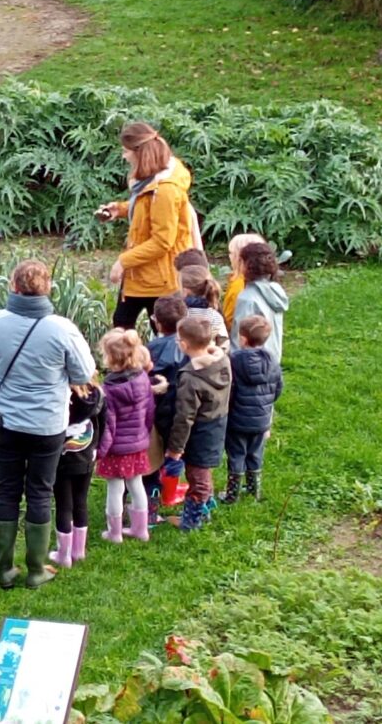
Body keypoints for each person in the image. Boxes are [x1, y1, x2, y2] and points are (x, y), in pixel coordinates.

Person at [0, 260, 96, 589]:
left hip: (5, 422)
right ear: (48, 288)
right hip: (48, 424)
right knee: (40, 492)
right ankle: (36, 570)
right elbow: (83, 374)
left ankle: (5, 570)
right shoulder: (62, 328)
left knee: (8, 491)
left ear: (13, 286)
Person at [96, 122, 196, 330]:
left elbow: (162, 241)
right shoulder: (151, 182)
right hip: (141, 273)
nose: (124, 157)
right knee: (122, 325)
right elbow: (147, 208)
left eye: (126, 152)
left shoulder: (165, 190)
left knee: (160, 332)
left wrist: (123, 262)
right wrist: (121, 209)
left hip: (159, 278)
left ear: (140, 152)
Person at [165, 316, 232, 531]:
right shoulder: (222, 361)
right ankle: (205, 508)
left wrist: (176, 448)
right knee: (204, 471)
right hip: (217, 424)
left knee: (197, 476)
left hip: (199, 432)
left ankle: (191, 521)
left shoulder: (191, 378)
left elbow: (184, 417)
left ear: (184, 345)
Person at [95, 329, 156, 544]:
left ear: (110, 358)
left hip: (116, 449)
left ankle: (115, 533)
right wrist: (144, 434)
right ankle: (140, 529)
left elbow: (108, 427)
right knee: (136, 484)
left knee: (115, 488)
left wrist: (100, 451)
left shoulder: (109, 390)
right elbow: (150, 411)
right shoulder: (143, 379)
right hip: (138, 444)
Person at [223, 315, 283, 503]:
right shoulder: (272, 360)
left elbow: (229, 388)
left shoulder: (233, 360)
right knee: (255, 453)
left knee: (236, 454)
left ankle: (232, 494)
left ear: (242, 338)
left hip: (237, 419)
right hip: (261, 419)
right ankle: (253, 490)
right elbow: (278, 387)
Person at [48, 378, 106, 567]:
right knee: (80, 501)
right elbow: (103, 423)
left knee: (64, 505)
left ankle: (63, 555)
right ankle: (79, 551)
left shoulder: (57, 394)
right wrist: (98, 448)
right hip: (88, 454)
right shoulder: (95, 394)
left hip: (62, 458)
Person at [145, 295, 189, 517]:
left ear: (156, 322)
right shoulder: (191, 347)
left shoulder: (151, 348)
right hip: (182, 413)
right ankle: (169, 493)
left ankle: (151, 511)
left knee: (151, 464)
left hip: (154, 415)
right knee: (175, 454)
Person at [230, 242, 288, 363]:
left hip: (249, 362)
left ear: (246, 265)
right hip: (272, 360)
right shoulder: (276, 290)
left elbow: (239, 336)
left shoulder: (247, 298)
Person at [179, 265, 229, 348]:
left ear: (185, 291)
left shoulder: (180, 314)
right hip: (210, 358)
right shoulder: (215, 316)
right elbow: (224, 345)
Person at [222, 233, 265, 329]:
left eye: (231, 253)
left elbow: (229, 321)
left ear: (239, 257)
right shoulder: (265, 283)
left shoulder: (239, 285)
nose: (229, 257)